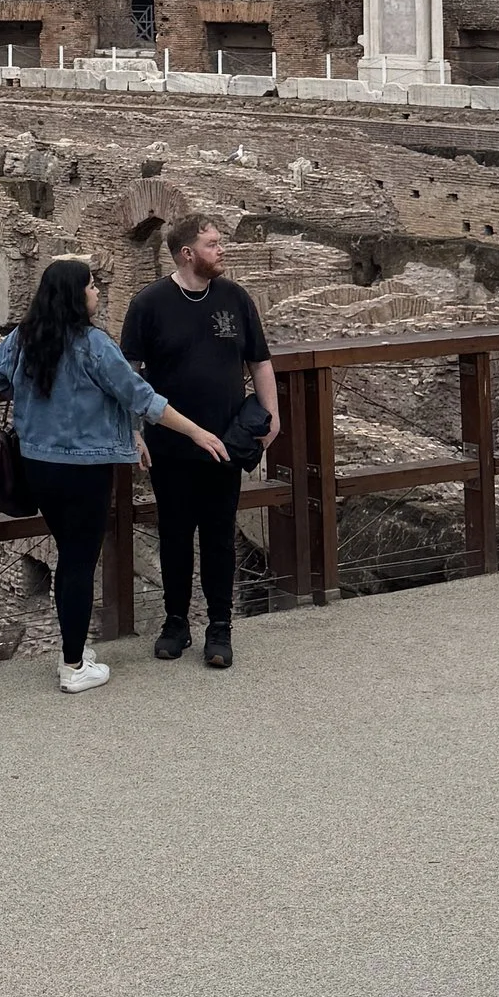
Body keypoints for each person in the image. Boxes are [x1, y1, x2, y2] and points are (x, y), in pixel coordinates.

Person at [0, 255, 229, 692]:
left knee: (67, 556)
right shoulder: (92, 344)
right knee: (79, 562)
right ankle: (74, 667)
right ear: (76, 296)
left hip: (39, 463)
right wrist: (196, 431)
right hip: (84, 467)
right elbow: (140, 396)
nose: (97, 291)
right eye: (92, 285)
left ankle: (73, 649)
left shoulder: (25, 337)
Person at [120, 215, 278, 669]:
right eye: (212, 244)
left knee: (218, 537)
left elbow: (260, 361)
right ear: (187, 253)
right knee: (173, 536)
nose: (221, 249)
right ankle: (175, 623)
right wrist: (132, 429)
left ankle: (219, 628)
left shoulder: (235, 298)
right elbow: (129, 374)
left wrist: (273, 416)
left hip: (227, 442)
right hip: (169, 445)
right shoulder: (148, 303)